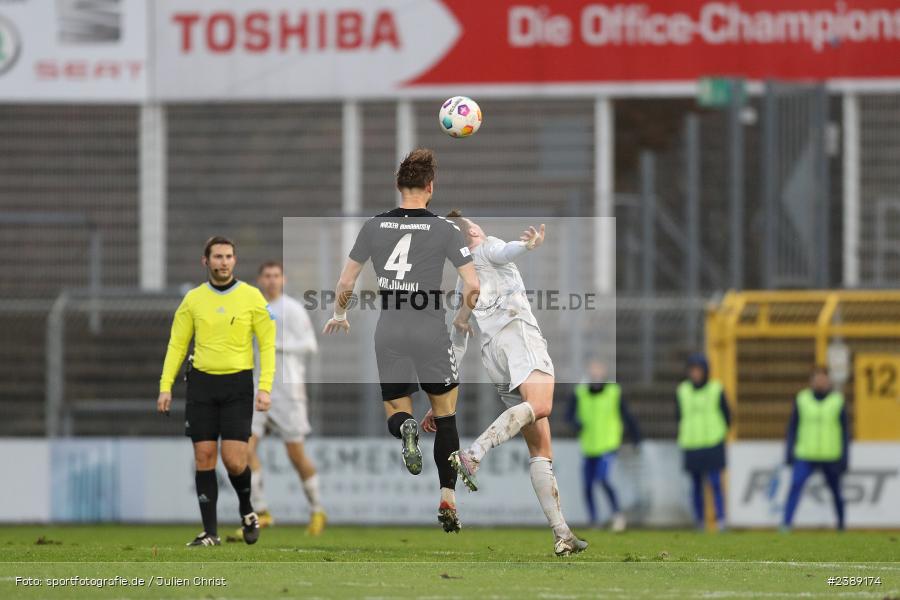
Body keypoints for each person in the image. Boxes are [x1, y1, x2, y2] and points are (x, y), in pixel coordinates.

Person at [321, 149, 480, 533]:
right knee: (445, 416)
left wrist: (339, 314)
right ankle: (447, 497)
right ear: (430, 187)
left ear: (398, 186)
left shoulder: (374, 226)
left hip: (390, 327)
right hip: (429, 328)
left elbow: (346, 282)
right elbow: (473, 285)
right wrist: (460, 319)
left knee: (396, 408)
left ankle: (406, 427)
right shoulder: (445, 229)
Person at [432, 210, 587, 557]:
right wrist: (527, 245)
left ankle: (562, 533)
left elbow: (457, 342)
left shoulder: (461, 283)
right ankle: (474, 453)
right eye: (471, 226)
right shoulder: (486, 248)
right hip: (518, 337)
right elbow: (505, 252)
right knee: (543, 405)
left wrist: (439, 399)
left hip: (493, 358)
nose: (476, 227)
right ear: (469, 233)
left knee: (541, 450)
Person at [157, 236, 276, 547]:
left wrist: (264, 388)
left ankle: (247, 510)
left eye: (228, 257)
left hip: (237, 385)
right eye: (217, 257)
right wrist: (165, 386)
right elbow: (177, 345)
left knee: (235, 460)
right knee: (204, 456)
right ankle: (210, 532)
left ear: (235, 261)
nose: (223, 262)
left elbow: (267, 345)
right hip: (201, 385)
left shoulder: (252, 297)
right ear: (205, 261)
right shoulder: (193, 300)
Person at [240, 260, 325, 538]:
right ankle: (261, 511)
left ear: (283, 279)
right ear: (260, 279)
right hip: (258, 389)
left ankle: (316, 508)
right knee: (244, 450)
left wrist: (276, 344)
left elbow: (310, 345)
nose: (272, 280)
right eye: (267, 276)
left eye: (276, 276)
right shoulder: (252, 307)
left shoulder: (293, 310)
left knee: (295, 454)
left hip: (289, 392)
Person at [567, 357, 641, 532]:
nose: (595, 372)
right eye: (593, 368)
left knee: (603, 478)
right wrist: (576, 423)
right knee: (587, 485)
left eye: (598, 368)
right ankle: (594, 520)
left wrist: (636, 437)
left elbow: (627, 416)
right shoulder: (580, 392)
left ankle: (617, 514)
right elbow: (568, 415)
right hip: (589, 446)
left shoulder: (613, 391)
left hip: (608, 445)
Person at [782, 366, 848, 531]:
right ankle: (785, 525)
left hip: (830, 454)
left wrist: (845, 456)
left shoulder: (837, 400)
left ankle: (841, 525)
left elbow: (845, 432)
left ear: (828, 381)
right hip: (805, 453)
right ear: (812, 381)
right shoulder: (802, 399)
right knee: (795, 486)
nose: (820, 382)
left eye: (823, 378)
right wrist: (789, 451)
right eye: (817, 378)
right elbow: (792, 427)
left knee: (837, 492)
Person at [676, 353, 730, 531]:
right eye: (693, 370)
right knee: (696, 486)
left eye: (698, 370)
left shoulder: (716, 388)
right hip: (692, 444)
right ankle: (699, 521)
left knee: (715, 483)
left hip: (713, 442)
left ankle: (721, 520)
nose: (695, 374)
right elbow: (678, 415)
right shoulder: (682, 390)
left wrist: (720, 433)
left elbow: (728, 415)